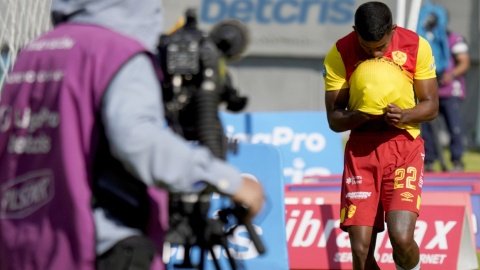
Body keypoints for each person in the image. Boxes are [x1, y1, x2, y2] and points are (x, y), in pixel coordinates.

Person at [0, 0, 264, 270]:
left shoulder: (35, 51)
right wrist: (228, 181)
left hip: (24, 245)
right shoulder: (116, 52)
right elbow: (137, 140)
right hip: (99, 247)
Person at [323, 2, 438, 270]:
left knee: (401, 238)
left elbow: (431, 105)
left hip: (403, 148)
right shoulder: (340, 52)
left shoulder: (416, 46)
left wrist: (405, 115)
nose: (374, 53)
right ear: (355, 32)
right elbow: (334, 119)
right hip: (361, 151)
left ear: (393, 30)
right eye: (366, 46)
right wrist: (362, 114)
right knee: (361, 253)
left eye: (381, 46)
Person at [421, 29, 470, 172]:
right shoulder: (425, 39)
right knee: (427, 129)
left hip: (450, 92)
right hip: (431, 92)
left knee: (454, 127)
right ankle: (429, 161)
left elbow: (464, 62)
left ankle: (457, 161)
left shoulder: (454, 39)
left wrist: (450, 75)